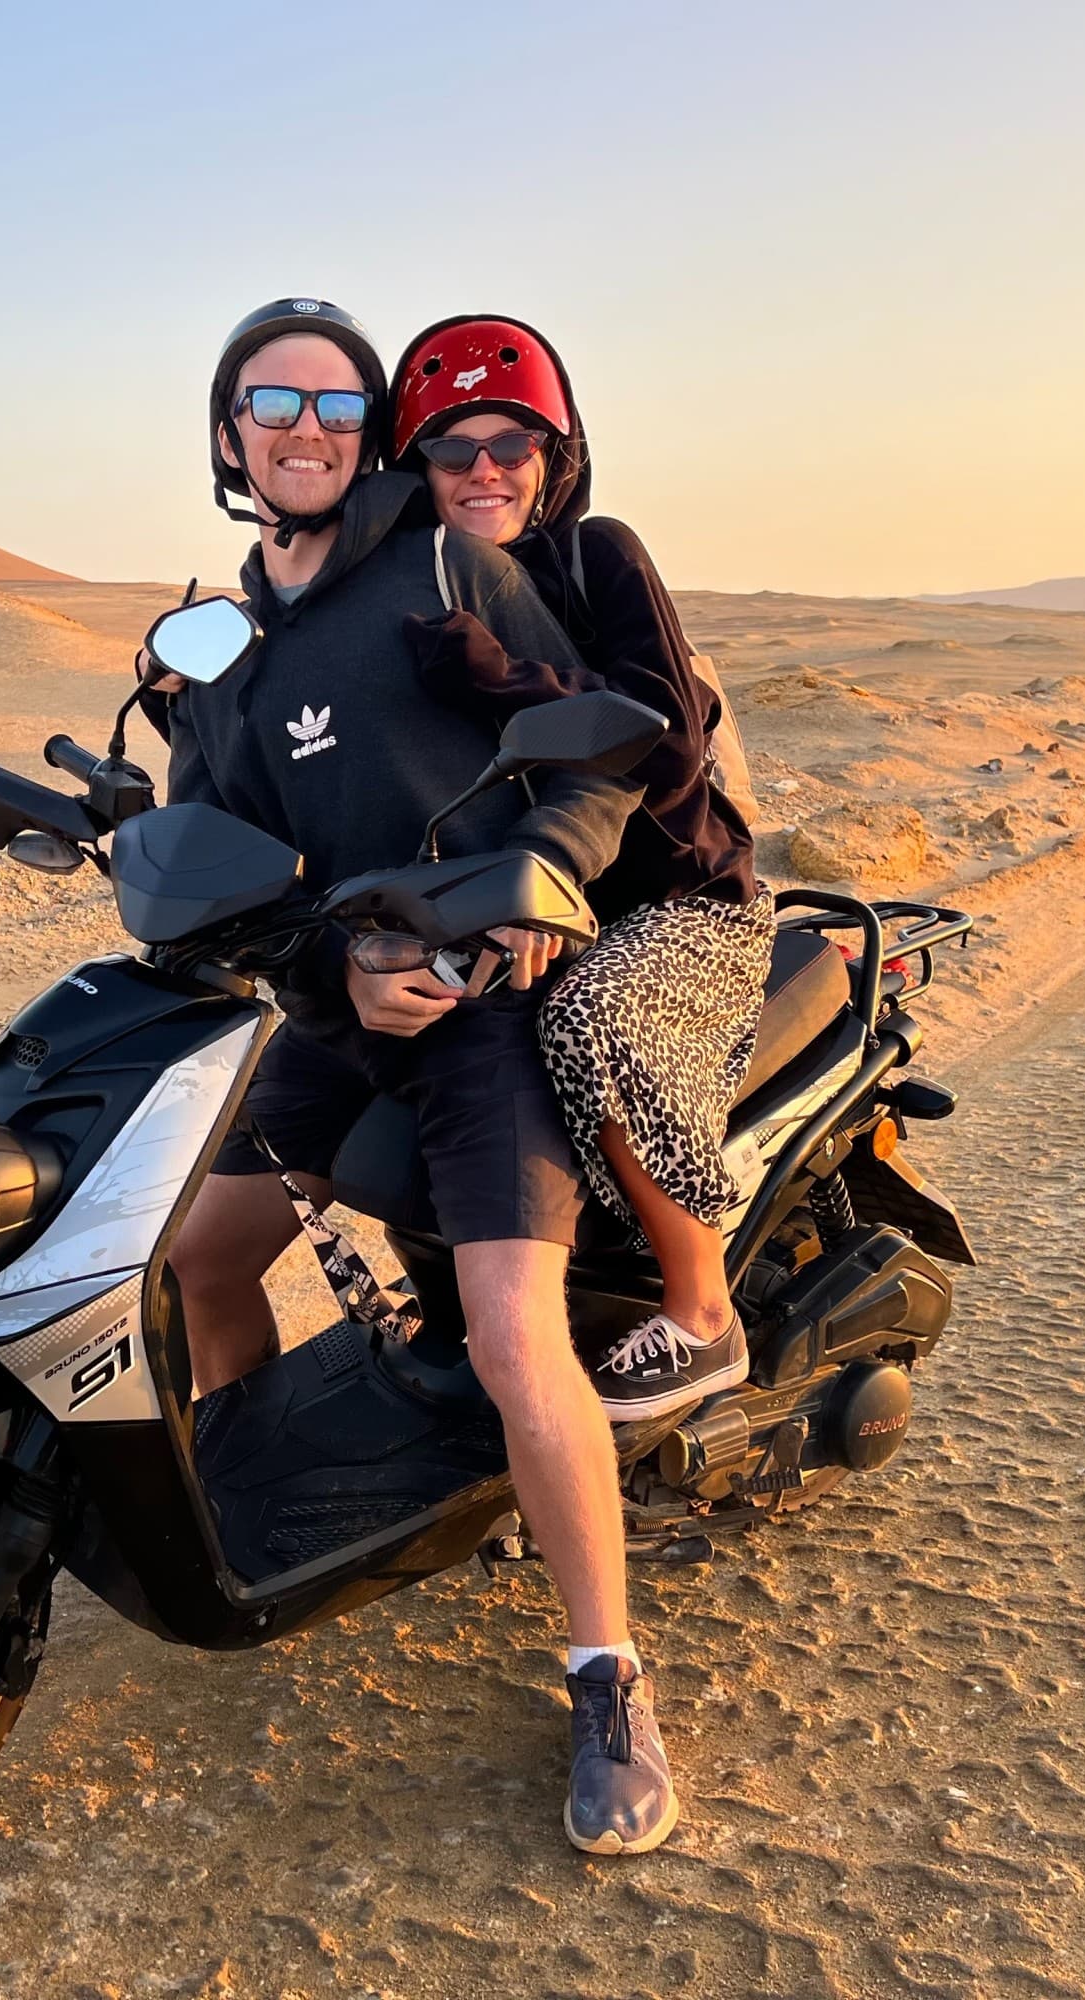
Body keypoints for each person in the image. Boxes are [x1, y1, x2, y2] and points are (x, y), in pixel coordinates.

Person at [155, 297, 683, 1854]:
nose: (304, 429)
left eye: (334, 403)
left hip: (496, 1006)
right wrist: (323, 972)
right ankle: (253, 1494)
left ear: (365, 427)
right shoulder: (231, 647)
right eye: (273, 401)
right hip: (336, 1011)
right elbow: (232, 864)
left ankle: (610, 1677)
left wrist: (527, 893)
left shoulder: (443, 566)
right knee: (201, 1255)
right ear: (230, 433)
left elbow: (591, 758)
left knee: (521, 1344)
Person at [390, 314, 772, 1424]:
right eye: (451, 449)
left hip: (679, 899)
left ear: (555, 457)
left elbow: (665, 743)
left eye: (511, 444)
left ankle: (704, 1317)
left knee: (584, 1020)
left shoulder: (597, 552)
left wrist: (500, 676)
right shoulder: (425, 583)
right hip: (540, 898)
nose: (482, 470)